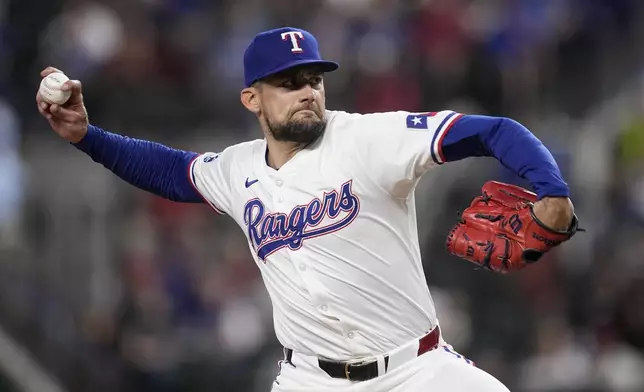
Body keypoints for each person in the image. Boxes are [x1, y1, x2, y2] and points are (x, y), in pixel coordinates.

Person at [36, 27, 575, 392]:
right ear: (252, 100)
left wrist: (551, 189)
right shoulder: (237, 170)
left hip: (416, 371)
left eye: (313, 79)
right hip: (310, 381)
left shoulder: (367, 138)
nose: (307, 92)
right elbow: (169, 172)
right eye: (288, 83)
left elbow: (493, 132)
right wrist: (86, 136)